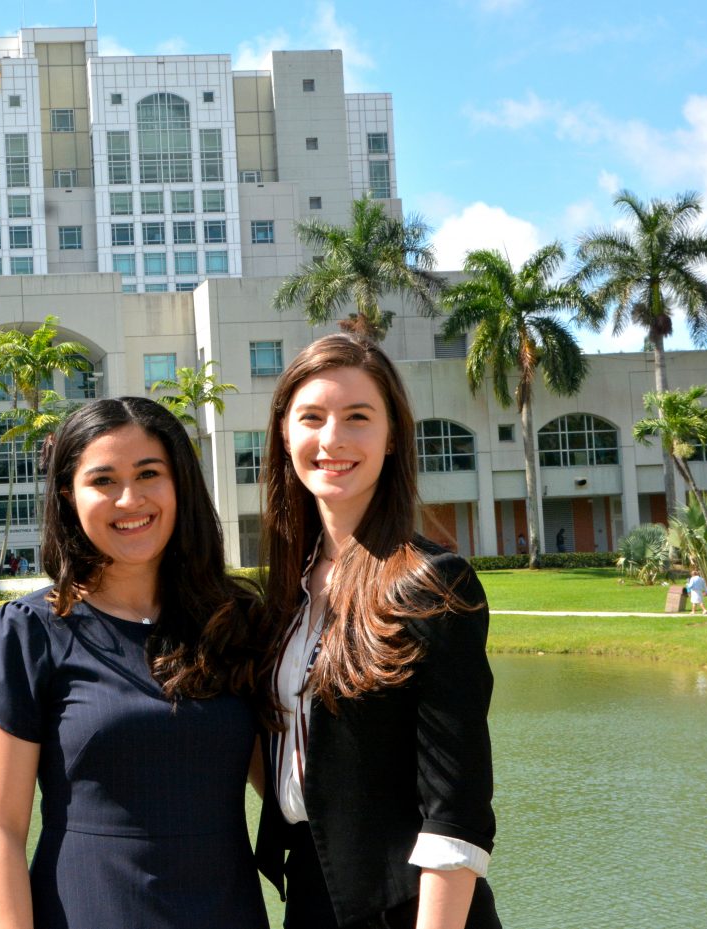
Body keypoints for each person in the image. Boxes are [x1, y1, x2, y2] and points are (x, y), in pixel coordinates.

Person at [0, 396, 273, 929]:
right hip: (90, 907)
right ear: (69, 497)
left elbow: (284, 789)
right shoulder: (28, 632)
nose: (129, 499)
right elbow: (0, 828)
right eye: (103, 480)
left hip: (226, 910)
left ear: (180, 483)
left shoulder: (236, 622)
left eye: (149, 474)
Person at [256, 335, 500, 929]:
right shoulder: (285, 595)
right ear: (286, 435)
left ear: (392, 439)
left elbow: (456, 810)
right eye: (311, 417)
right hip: (315, 894)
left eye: (358, 418)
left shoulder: (434, 585)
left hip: (410, 905)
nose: (332, 438)